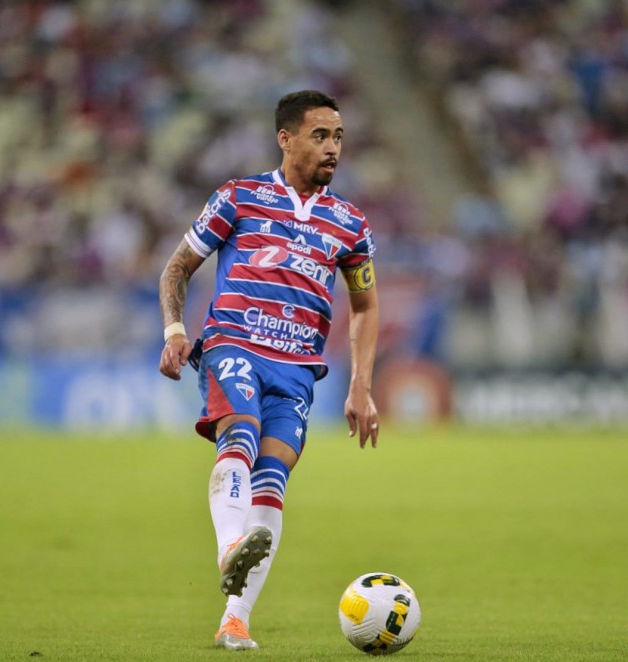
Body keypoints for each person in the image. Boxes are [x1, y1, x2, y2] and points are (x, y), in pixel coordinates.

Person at [158, 89, 381, 651]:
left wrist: (360, 386)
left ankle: (235, 618)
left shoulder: (349, 223)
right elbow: (178, 267)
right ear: (286, 138)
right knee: (241, 433)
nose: (332, 148)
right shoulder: (239, 197)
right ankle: (229, 548)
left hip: (299, 369)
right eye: (320, 135)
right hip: (234, 344)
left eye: (338, 137)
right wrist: (175, 330)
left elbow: (365, 306)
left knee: (272, 479)